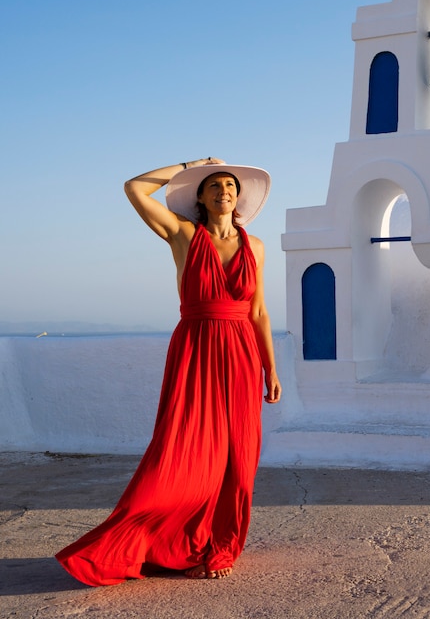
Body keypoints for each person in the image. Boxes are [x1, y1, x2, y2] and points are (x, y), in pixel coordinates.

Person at [55, 157, 281, 585]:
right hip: (196, 349)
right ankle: (156, 540)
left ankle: (221, 545)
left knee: (239, 455)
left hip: (241, 354)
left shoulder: (256, 247)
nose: (223, 192)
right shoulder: (183, 234)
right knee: (184, 451)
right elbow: (134, 188)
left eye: (230, 186)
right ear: (199, 196)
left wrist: (271, 367)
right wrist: (188, 164)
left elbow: (260, 311)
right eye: (213, 186)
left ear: (239, 196)